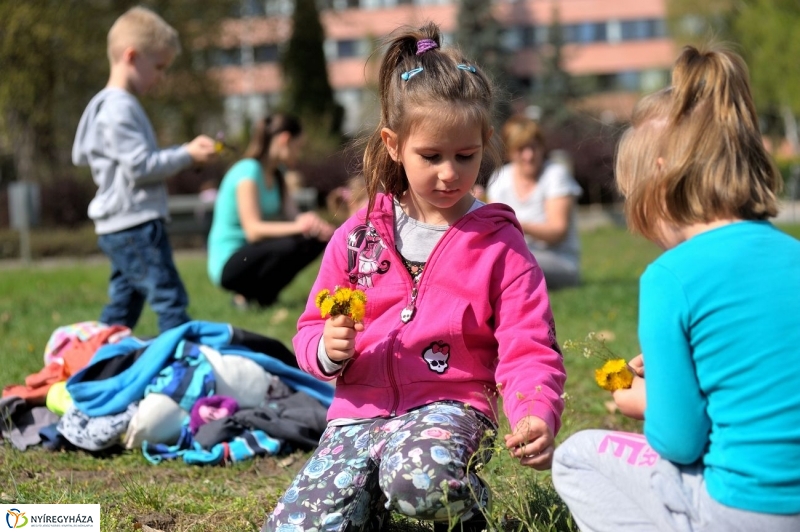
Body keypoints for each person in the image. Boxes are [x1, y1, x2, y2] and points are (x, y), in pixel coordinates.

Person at [263, 22, 566, 532]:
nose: (449, 173)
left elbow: (528, 343)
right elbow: (311, 326)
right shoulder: (358, 236)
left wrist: (534, 409)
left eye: (465, 156)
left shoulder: (499, 244)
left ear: (485, 143)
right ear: (394, 144)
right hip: (356, 416)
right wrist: (328, 349)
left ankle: (467, 511)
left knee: (419, 482)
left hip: (449, 409)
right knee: (296, 526)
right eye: (431, 156)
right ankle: (371, 507)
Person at [552, 44, 800, 532]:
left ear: (661, 178)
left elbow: (680, 441)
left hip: (746, 510)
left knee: (576, 458)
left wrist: (642, 399)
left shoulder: (670, 277)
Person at [71, 6, 218, 333]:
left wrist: (185, 154)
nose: (161, 77)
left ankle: (96, 355)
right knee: (170, 298)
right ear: (132, 56)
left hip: (125, 225)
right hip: (134, 225)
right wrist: (186, 154)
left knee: (123, 306)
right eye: (159, 67)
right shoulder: (118, 108)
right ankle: (182, 357)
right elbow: (140, 166)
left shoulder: (115, 105)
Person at [206, 113, 334, 308]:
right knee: (290, 245)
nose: (299, 154)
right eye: (298, 147)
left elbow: (295, 217)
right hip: (230, 261)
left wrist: (318, 226)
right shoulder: (248, 171)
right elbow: (253, 231)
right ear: (285, 140)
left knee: (314, 240)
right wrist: (301, 226)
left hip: (256, 253)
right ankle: (247, 295)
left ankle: (263, 297)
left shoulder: (277, 175)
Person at [486, 116, 582, 289]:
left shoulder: (555, 175)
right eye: (521, 149)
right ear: (509, 152)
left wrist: (514, 224)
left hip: (558, 260)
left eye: (533, 147)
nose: (528, 155)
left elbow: (557, 232)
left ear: (542, 147)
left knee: (511, 262)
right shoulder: (500, 179)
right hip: (514, 254)